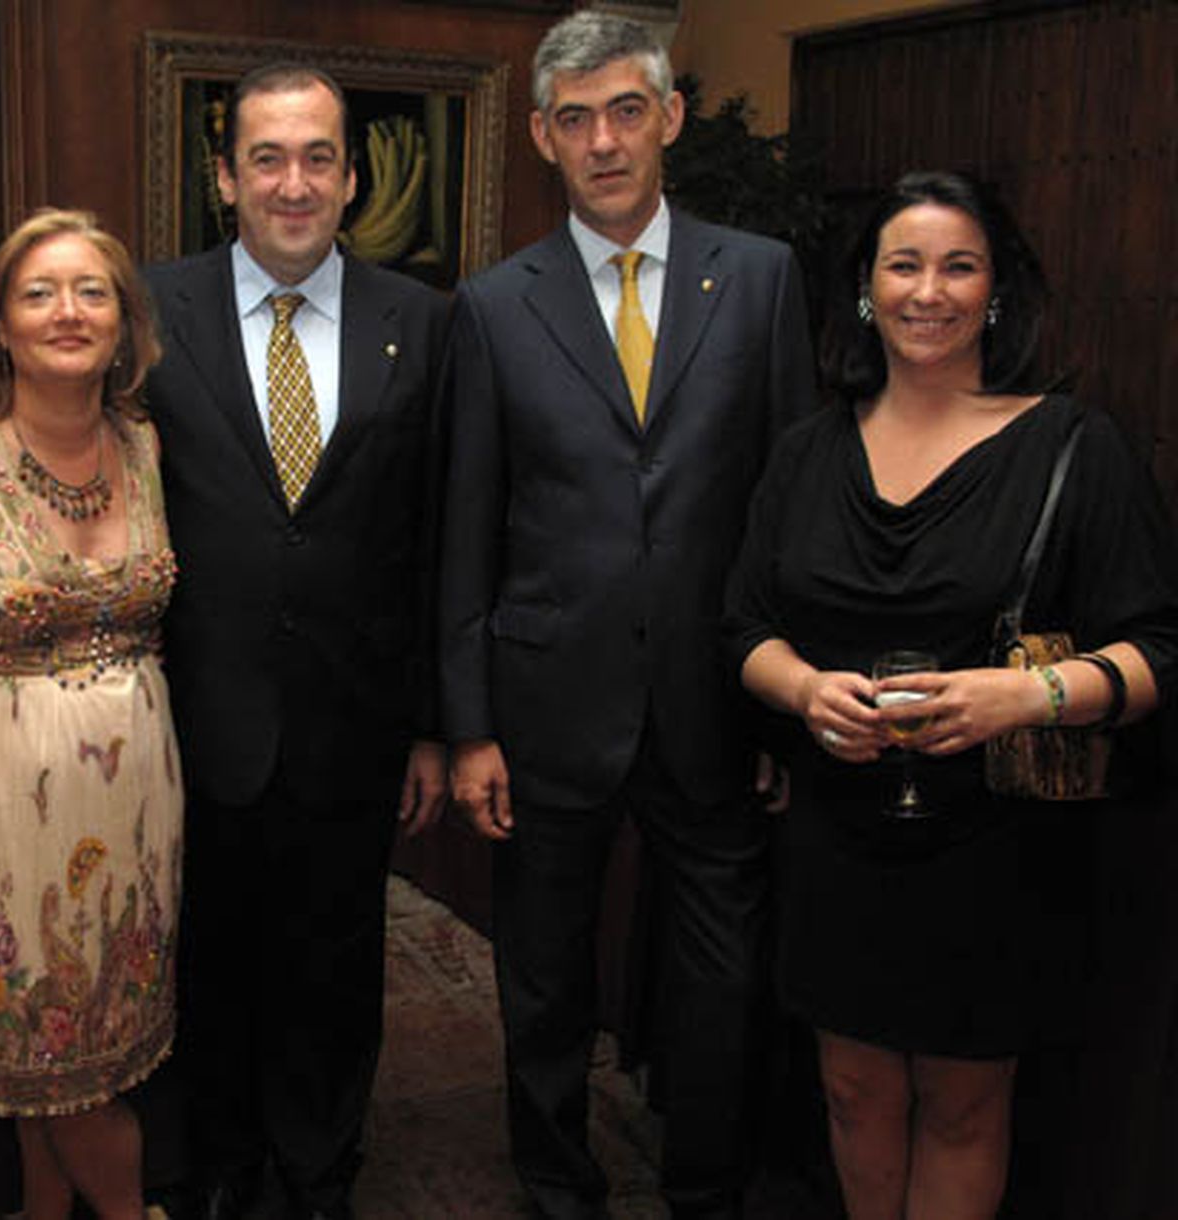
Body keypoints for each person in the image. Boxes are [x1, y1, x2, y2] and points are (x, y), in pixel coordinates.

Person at [0, 62, 449, 1220]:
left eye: (316, 158)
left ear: (350, 177)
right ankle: (207, 1173)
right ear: (224, 177)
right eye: (266, 158)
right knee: (191, 974)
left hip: (352, 725)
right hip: (193, 730)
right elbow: (38, 424)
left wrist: (440, 725)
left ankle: (317, 1175)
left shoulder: (425, 324)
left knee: (337, 973)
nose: (292, 182)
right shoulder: (142, 311)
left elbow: (437, 532)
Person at [724, 170, 1178, 1219]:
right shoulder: (806, 451)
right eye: (904, 263)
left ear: (997, 293)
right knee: (850, 1085)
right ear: (863, 291)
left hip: (997, 843)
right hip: (838, 830)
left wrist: (1025, 695)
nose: (929, 290)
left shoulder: (1075, 446)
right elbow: (742, 626)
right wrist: (803, 690)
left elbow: (1159, 647)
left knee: (967, 1099)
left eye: (958, 265)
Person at [438, 12, 816, 1220]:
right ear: (544, 137)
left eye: (624, 111)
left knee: (721, 977)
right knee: (542, 977)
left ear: (668, 116)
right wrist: (471, 725)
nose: (602, 141)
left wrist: (785, 705)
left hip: (718, 698)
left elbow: (785, 504)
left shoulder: (760, 279)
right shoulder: (493, 306)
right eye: (574, 119)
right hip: (548, 705)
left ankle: (706, 1186)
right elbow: (468, 527)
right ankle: (556, 1183)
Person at [0, 209, 178, 1219]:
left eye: (91, 291)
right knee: (44, 1043)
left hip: (136, 794)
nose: (67, 310)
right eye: (37, 292)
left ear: (125, 325)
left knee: (93, 1054)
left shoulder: (144, 446)